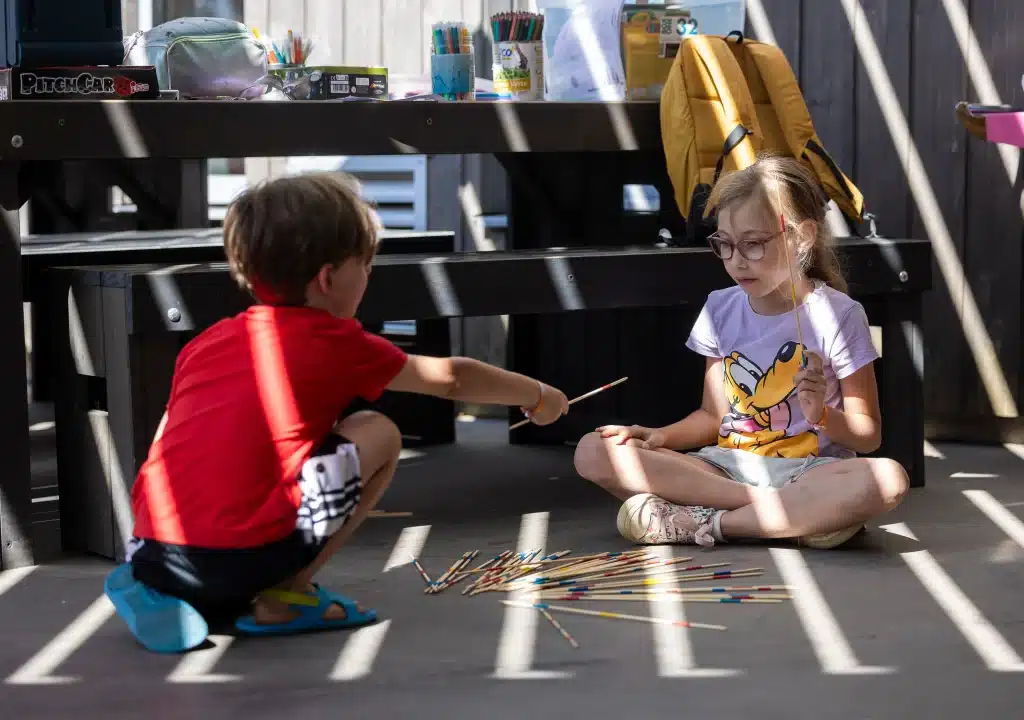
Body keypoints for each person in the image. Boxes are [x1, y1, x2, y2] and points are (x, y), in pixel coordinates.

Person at [104, 172, 570, 654]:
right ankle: (287, 595)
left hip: (152, 549)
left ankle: (160, 589)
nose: (370, 275)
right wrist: (537, 395)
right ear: (328, 279)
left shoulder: (206, 343)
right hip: (244, 559)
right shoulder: (336, 341)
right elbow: (452, 377)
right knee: (379, 432)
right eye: (366, 264)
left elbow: (166, 439)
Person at [573, 154, 909, 550]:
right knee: (593, 452)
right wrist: (659, 437)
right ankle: (797, 516)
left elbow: (868, 437)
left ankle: (709, 524)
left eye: (753, 245)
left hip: (810, 472)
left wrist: (821, 414)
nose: (735, 261)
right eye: (725, 245)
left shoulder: (840, 315)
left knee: (889, 479)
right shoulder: (720, 307)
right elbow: (712, 417)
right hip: (724, 469)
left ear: (801, 237)